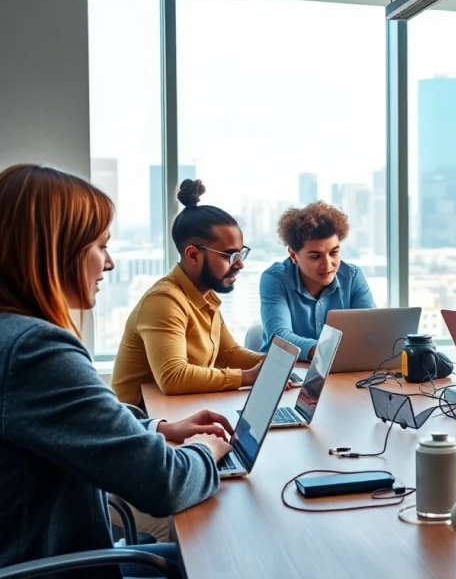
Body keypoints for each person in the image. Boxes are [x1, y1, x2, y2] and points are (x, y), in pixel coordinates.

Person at [0, 164, 232, 577]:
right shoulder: (34, 350)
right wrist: (208, 452)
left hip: (41, 555)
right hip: (58, 568)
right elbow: (166, 484)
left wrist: (160, 428)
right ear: (55, 250)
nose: (108, 264)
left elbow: (72, 426)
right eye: (100, 246)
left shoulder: (12, 337)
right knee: (232, 557)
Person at [112, 179, 264, 407]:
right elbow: (173, 377)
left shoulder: (205, 296)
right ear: (192, 255)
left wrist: (273, 364)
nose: (240, 264)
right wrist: (248, 377)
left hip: (175, 414)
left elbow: (228, 353)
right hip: (139, 425)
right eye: (229, 255)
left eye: (241, 253)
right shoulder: (164, 300)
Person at [260, 201, 375, 360]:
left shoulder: (353, 276)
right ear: (294, 256)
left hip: (341, 371)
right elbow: (279, 337)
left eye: (333, 253)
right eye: (315, 256)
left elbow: (371, 331)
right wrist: (325, 351)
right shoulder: (275, 279)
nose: (328, 265)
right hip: (286, 370)